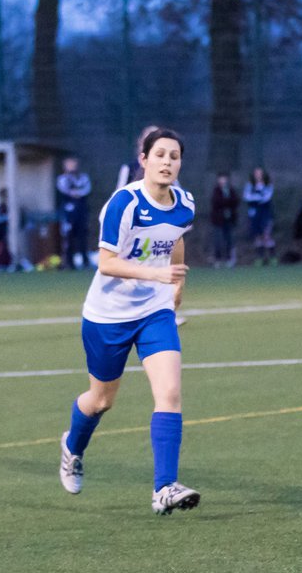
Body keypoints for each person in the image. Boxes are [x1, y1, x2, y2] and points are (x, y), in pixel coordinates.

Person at [58, 127, 201, 515]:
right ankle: (72, 447)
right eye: (159, 155)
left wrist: (177, 283)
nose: (167, 162)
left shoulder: (185, 203)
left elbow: (177, 238)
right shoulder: (124, 203)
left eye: (174, 156)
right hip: (108, 316)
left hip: (154, 312)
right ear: (143, 160)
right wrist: (155, 275)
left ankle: (164, 488)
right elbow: (106, 263)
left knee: (169, 392)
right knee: (101, 400)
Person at [56, 156, 93, 270]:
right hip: (68, 213)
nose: (72, 166)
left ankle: (85, 261)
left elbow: (86, 189)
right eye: (69, 164)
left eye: (73, 164)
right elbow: (64, 190)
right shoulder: (63, 179)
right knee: (68, 237)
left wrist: (77, 193)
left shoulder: (83, 178)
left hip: (81, 211)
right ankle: (69, 262)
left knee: (83, 236)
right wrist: (73, 193)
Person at [243, 166, 276, 265]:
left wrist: (256, 197)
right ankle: (260, 258)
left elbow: (266, 198)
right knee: (257, 237)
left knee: (267, 235)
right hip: (254, 214)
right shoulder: (250, 185)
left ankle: (272, 258)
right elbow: (246, 197)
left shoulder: (268, 185)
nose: (258, 175)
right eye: (256, 173)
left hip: (265, 214)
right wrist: (258, 197)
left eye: (260, 173)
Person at [116, 125, 160, 191]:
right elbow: (119, 197)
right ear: (141, 143)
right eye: (149, 142)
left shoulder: (167, 169)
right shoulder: (128, 169)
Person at [209, 171, 239, 268]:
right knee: (218, 240)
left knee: (229, 240)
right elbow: (216, 202)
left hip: (229, 220)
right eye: (221, 179)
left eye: (224, 179)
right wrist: (227, 201)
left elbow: (236, 201)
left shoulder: (231, 190)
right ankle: (217, 260)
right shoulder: (216, 190)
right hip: (218, 220)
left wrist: (227, 202)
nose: (222, 181)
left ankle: (230, 259)